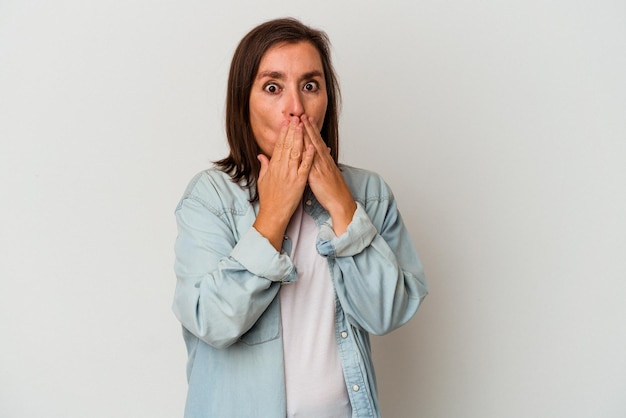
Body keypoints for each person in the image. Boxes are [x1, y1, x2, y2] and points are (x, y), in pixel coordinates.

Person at [173, 17, 428, 418]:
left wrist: (343, 206)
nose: (295, 108)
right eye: (273, 87)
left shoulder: (370, 193)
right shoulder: (210, 197)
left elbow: (388, 314)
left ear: (327, 99)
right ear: (244, 102)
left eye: (310, 86)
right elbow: (213, 323)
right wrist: (272, 215)